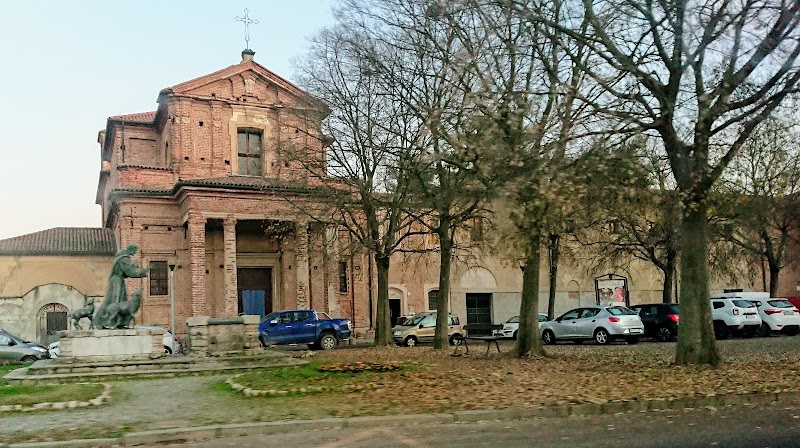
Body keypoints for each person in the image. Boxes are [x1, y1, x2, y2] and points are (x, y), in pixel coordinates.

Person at [94, 244, 149, 329]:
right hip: (117, 282)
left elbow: (125, 272)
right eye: (134, 251)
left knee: (120, 301)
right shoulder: (124, 259)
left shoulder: (121, 257)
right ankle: (105, 321)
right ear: (131, 249)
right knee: (115, 301)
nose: (134, 253)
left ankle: (119, 323)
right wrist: (144, 271)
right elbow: (130, 272)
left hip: (118, 280)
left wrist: (133, 266)